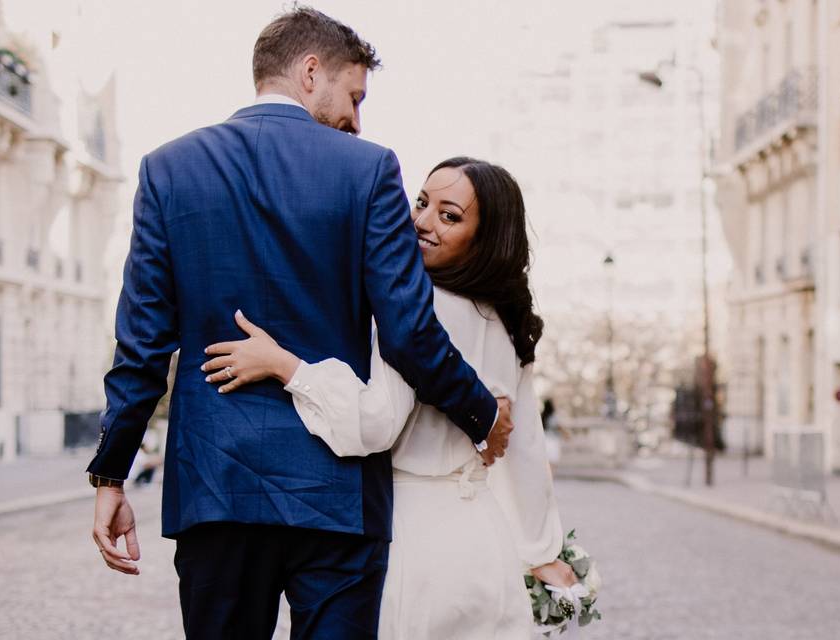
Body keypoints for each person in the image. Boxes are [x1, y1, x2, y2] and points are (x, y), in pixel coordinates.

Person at [86, 7, 514, 639]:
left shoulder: (168, 169)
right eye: (353, 94)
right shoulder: (368, 170)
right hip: (336, 497)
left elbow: (143, 343)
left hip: (217, 487)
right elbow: (408, 332)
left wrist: (111, 472)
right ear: (311, 72)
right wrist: (482, 413)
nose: (356, 118)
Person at [204, 158, 577, 638]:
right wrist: (542, 552)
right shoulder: (508, 325)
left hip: (414, 543)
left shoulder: (419, 311)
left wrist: (283, 365)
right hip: (484, 545)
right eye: (421, 203)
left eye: (449, 215)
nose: (421, 221)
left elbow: (375, 423)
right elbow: (525, 453)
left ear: (486, 238)